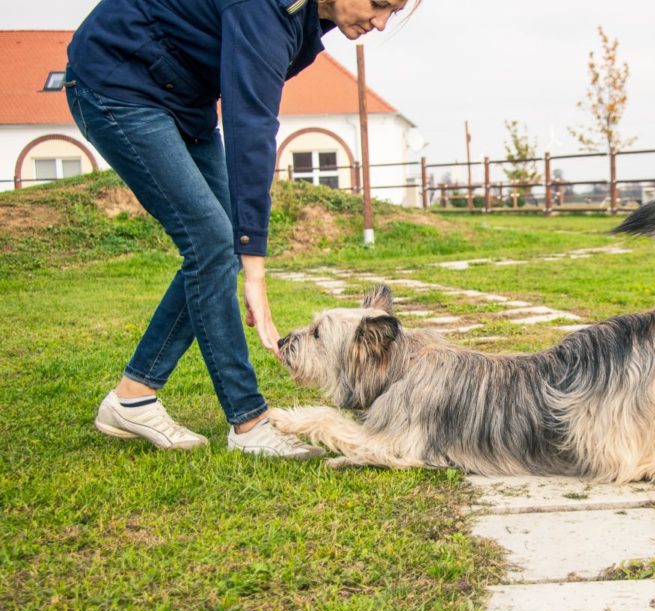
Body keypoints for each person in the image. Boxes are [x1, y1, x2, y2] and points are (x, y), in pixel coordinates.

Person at [66, 0, 412, 456]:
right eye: (379, 3)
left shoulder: (309, 21)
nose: (382, 22)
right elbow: (250, 125)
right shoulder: (266, 8)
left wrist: (245, 249)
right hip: (119, 84)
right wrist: (256, 274)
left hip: (184, 102)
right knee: (211, 240)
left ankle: (134, 394)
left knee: (218, 242)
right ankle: (249, 423)